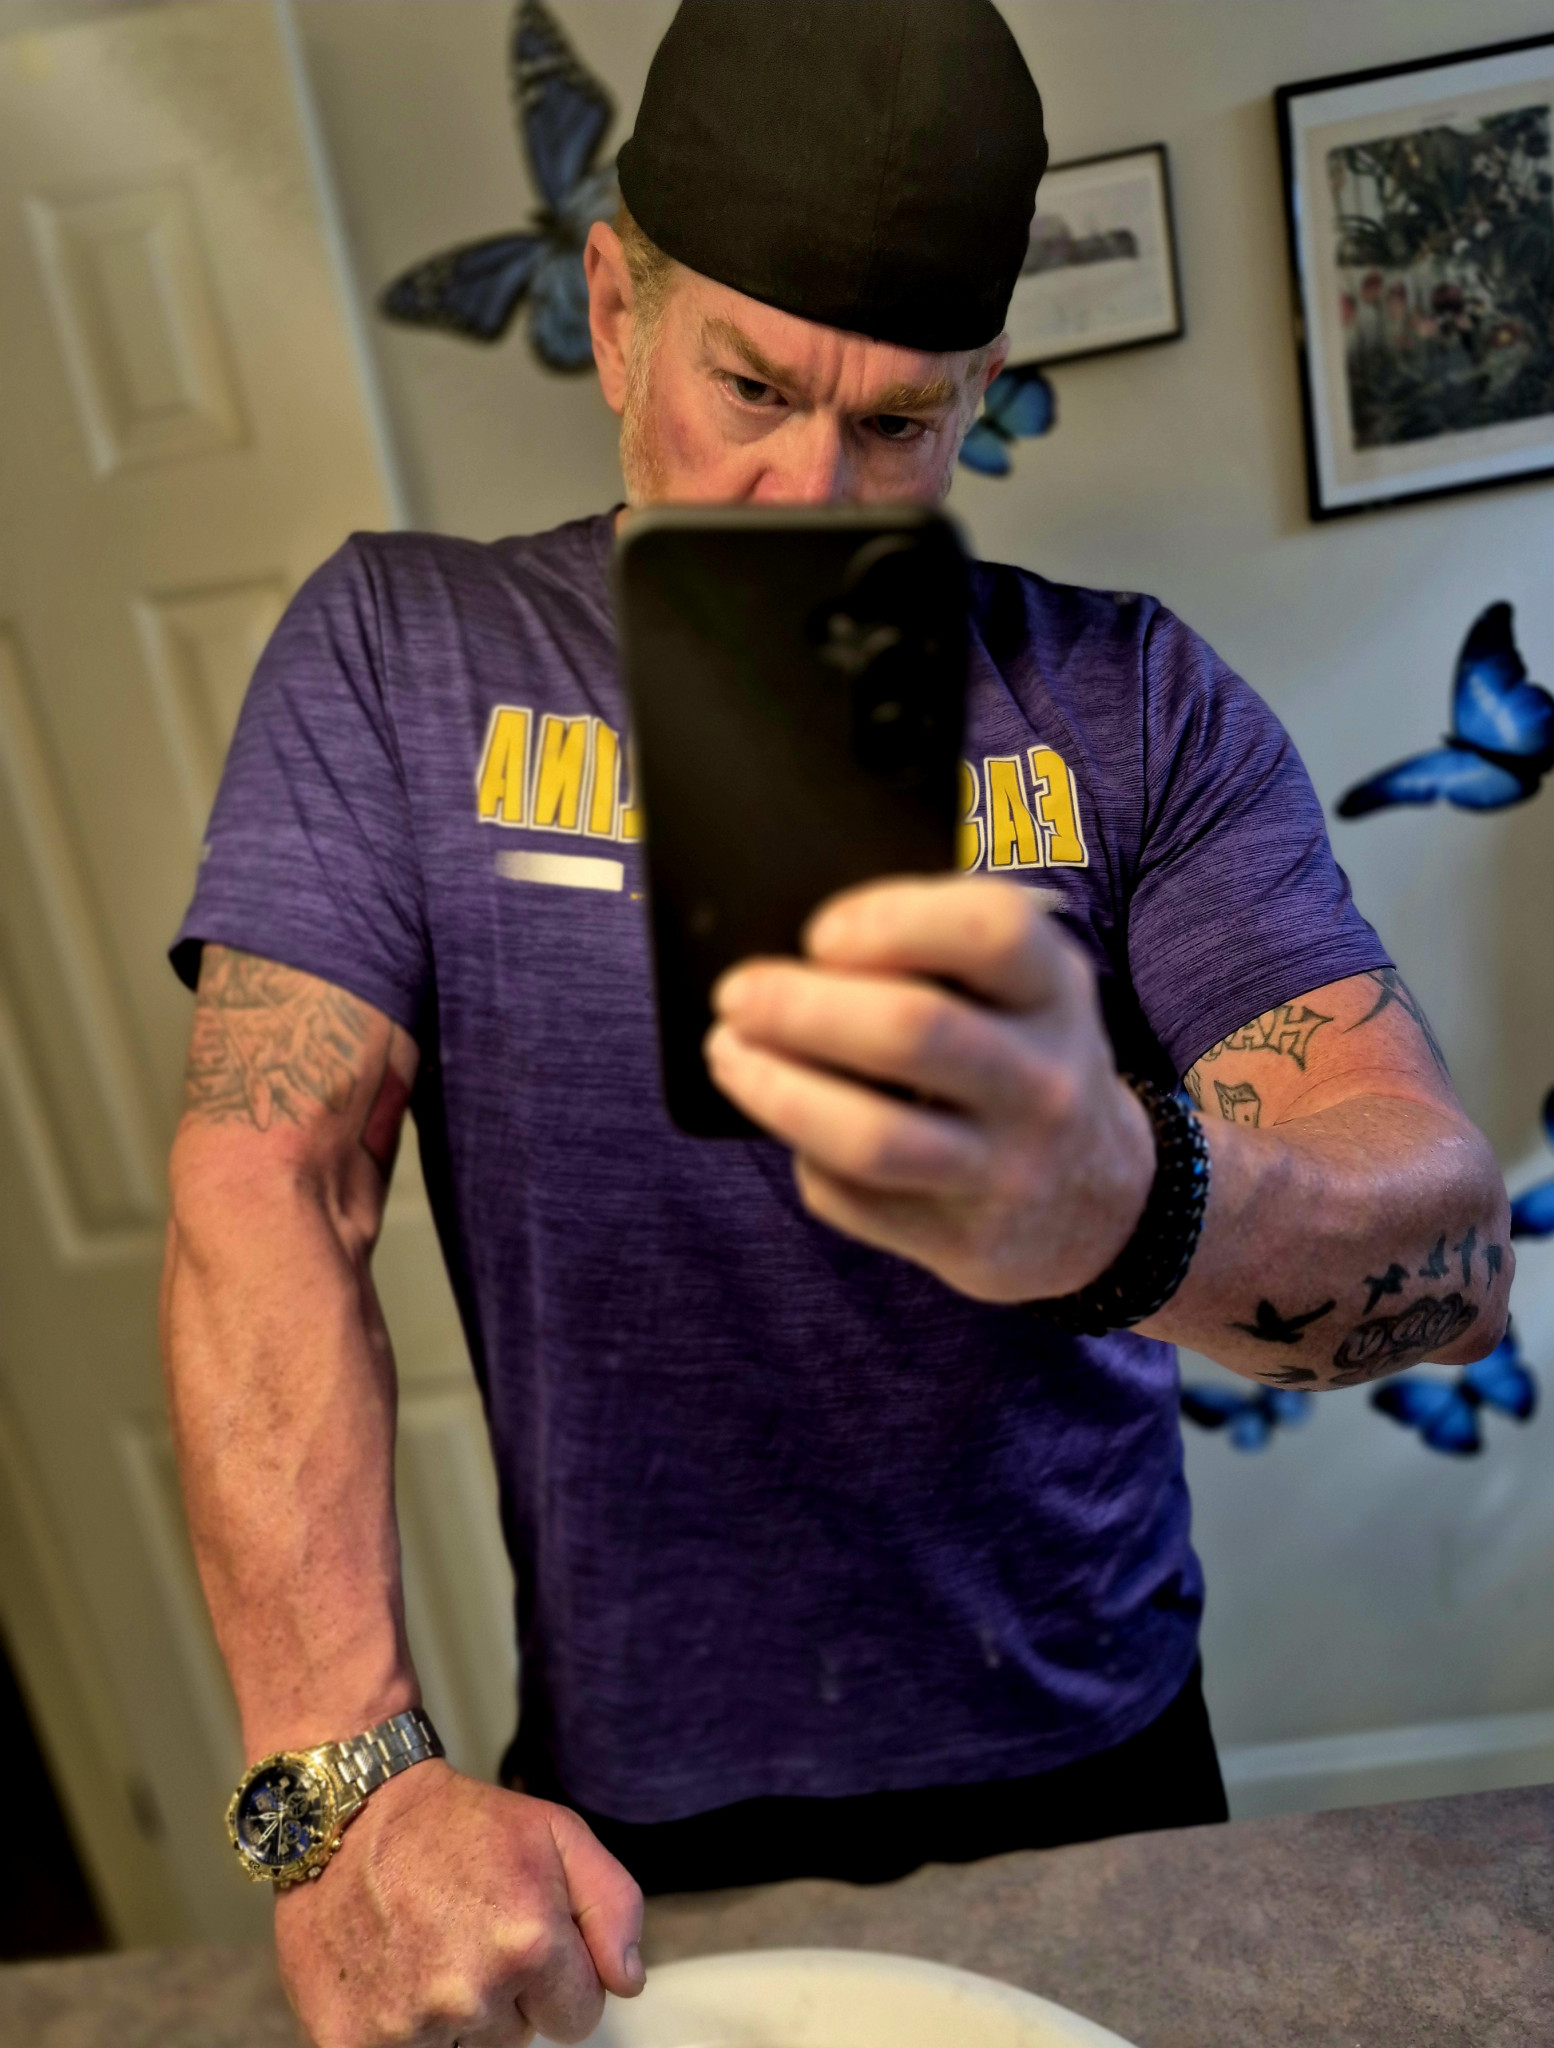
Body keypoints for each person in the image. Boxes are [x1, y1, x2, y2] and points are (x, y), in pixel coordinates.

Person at [159, 4, 1510, 2045]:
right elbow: (267, 1179)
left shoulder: (1132, 702)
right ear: (616, 314)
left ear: (981, 391)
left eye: (896, 424)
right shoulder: (398, 656)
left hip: (1085, 1747)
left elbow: (1451, 1245)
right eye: (753, 387)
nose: (808, 490)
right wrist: (344, 1788)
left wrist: (1118, 1193)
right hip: (632, 1791)